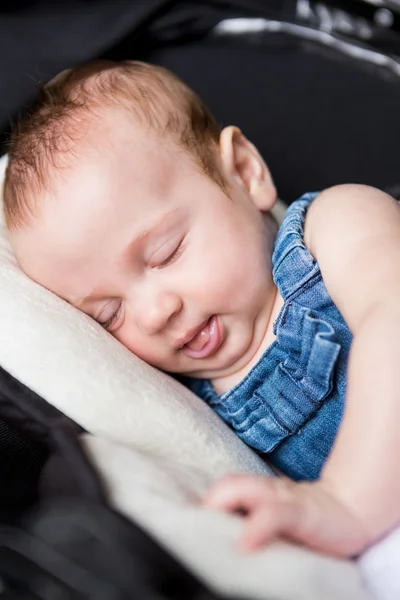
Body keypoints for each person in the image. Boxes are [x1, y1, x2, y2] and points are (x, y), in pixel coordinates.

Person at [3, 60, 400, 558]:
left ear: (244, 172)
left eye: (166, 252)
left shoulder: (334, 228)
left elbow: (393, 322)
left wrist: (347, 502)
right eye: (109, 315)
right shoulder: (190, 411)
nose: (154, 313)